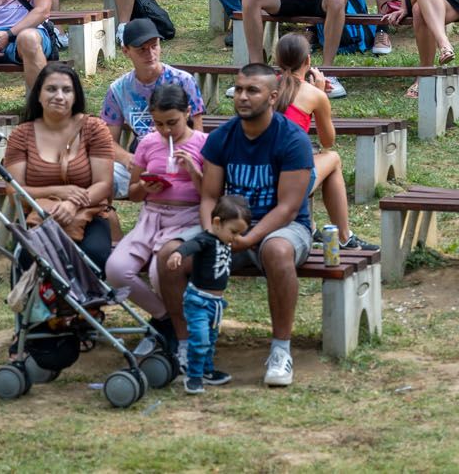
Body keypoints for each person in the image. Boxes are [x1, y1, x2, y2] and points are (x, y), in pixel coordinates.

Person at [186, 62, 318, 388]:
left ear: (272, 97)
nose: (242, 97)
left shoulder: (292, 139)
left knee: (276, 251)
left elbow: (288, 208)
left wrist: (251, 237)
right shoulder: (222, 137)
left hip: (285, 228)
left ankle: (280, 350)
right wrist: (212, 234)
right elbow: (209, 197)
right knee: (173, 254)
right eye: (239, 89)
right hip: (229, 229)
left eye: (252, 90)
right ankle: (182, 346)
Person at [104, 81, 209, 363]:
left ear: (187, 113)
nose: (166, 130)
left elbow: (212, 194)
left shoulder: (203, 143)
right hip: (152, 217)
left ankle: (181, 335)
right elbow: (134, 193)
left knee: (159, 272)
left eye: (172, 123)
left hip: (187, 218)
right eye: (159, 123)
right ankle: (165, 318)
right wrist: (144, 187)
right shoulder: (149, 143)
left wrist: (193, 170)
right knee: (116, 269)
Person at [4, 62, 117, 268]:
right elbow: (14, 191)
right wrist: (58, 192)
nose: (59, 96)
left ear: (75, 96)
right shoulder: (21, 135)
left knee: (94, 255)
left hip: (88, 213)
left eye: (66, 90)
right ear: (38, 95)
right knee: (29, 257)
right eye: (51, 89)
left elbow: (104, 184)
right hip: (39, 215)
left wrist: (72, 204)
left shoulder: (94, 129)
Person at [273, 34, 369, 248]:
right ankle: (344, 237)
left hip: (259, 176)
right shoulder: (314, 95)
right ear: (308, 60)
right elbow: (328, 141)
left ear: (277, 59)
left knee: (307, 154)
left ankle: (312, 226)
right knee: (332, 158)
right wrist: (318, 94)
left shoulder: (265, 87)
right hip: (287, 184)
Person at [100, 14, 207, 181]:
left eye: (154, 46)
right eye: (141, 49)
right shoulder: (118, 90)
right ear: (126, 51)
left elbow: (198, 131)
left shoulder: (184, 81)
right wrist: (127, 158)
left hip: (179, 154)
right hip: (141, 157)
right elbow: (108, 141)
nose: (150, 54)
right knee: (105, 171)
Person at [165, 193, 252, 395]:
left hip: (216, 303)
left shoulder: (225, 240)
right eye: (234, 232)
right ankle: (193, 377)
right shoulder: (206, 239)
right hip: (198, 301)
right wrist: (178, 253)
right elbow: (190, 245)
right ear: (217, 223)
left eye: (240, 233)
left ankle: (206, 371)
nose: (236, 238)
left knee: (210, 340)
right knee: (200, 340)